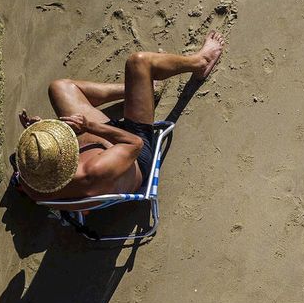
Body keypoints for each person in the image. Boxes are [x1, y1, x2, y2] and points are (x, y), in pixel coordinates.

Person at [13, 32, 225, 199]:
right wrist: (89, 127)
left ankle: (139, 89)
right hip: (133, 155)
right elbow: (134, 144)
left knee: (59, 88)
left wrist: (43, 134)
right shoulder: (93, 170)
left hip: (100, 147)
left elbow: (40, 159)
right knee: (139, 62)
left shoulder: (34, 181)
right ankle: (201, 63)